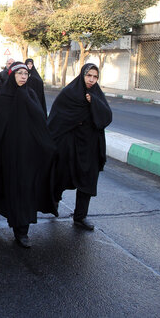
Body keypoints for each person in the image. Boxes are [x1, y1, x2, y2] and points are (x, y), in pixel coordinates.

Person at [0, 63, 57, 248]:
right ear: (12, 75)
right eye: (20, 73)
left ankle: (21, 231)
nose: (24, 77)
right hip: (3, 152)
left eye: (26, 73)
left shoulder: (31, 95)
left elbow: (40, 121)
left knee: (23, 190)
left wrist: (47, 146)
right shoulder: (1, 97)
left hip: (26, 154)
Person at [48, 63, 112, 231]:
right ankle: (53, 202)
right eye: (88, 75)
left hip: (90, 147)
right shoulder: (69, 93)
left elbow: (106, 118)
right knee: (62, 176)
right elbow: (56, 119)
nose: (91, 79)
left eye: (95, 76)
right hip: (69, 146)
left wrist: (94, 103)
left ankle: (80, 217)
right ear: (82, 75)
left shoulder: (96, 94)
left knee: (88, 180)